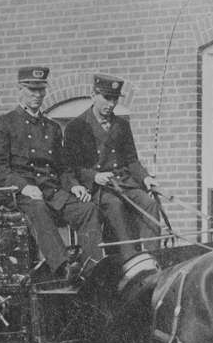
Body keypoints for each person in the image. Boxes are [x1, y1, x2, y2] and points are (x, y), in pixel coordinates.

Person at [0, 66, 104, 278]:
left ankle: (93, 267)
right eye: (32, 90)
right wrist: (24, 187)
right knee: (38, 207)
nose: (37, 96)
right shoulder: (4, 124)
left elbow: (63, 168)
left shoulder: (52, 127)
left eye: (41, 91)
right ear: (20, 90)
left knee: (87, 209)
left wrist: (75, 185)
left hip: (51, 190)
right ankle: (64, 267)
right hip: (18, 195)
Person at [63, 73, 160, 262]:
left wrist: (145, 178)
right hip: (100, 189)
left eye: (115, 99)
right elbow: (72, 166)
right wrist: (94, 176)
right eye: (107, 98)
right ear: (93, 96)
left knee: (149, 204)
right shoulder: (76, 127)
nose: (111, 104)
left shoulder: (122, 125)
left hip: (124, 182)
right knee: (115, 207)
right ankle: (129, 260)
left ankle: (153, 257)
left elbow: (132, 160)